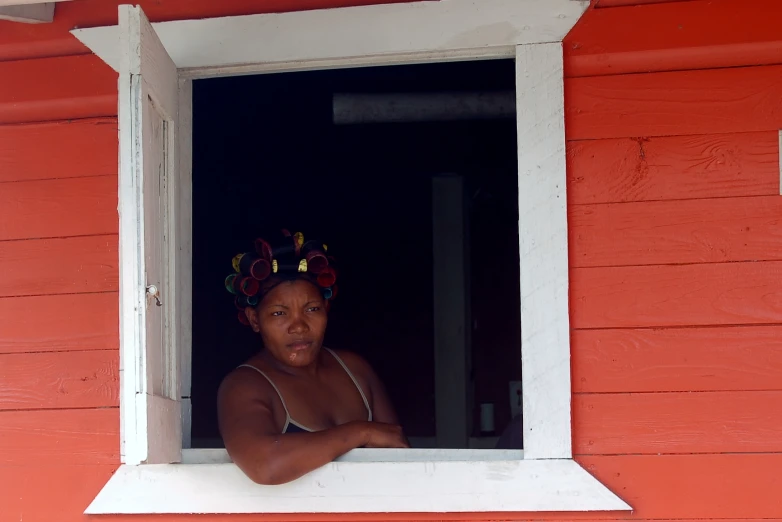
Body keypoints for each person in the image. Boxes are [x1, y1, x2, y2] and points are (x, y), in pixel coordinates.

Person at [217, 230, 409, 485]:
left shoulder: (354, 369)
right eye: (278, 313)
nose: (299, 326)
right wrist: (362, 431)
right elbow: (264, 464)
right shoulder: (244, 386)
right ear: (255, 320)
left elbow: (400, 454)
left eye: (312, 309)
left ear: (326, 310)